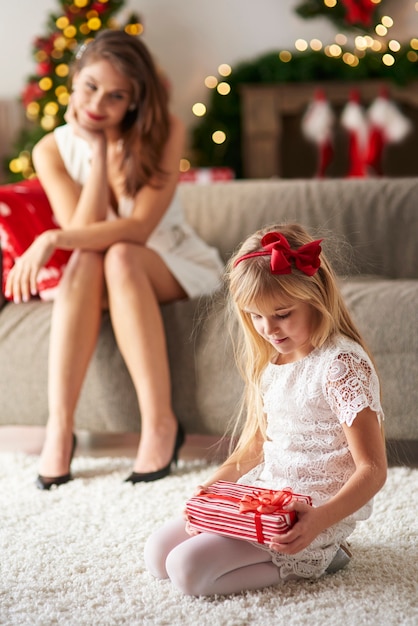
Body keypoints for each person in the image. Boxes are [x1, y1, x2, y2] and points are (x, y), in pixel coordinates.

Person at [4, 30, 223, 489]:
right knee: (88, 259)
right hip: (98, 264)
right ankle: (60, 427)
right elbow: (85, 231)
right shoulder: (50, 149)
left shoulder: (165, 130)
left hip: (168, 257)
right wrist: (98, 151)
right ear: (74, 80)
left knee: (120, 254)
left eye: (116, 95)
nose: (98, 104)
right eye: (90, 87)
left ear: (135, 101)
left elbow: (137, 229)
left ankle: (160, 422)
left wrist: (51, 239)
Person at [144, 223, 387, 596]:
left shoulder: (341, 365)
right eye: (255, 316)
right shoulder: (273, 361)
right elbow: (256, 447)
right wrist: (211, 488)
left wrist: (318, 522)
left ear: (316, 296)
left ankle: (323, 557)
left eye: (282, 314)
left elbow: (373, 470)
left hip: (313, 509)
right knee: (157, 554)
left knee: (186, 571)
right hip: (266, 495)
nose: (267, 328)